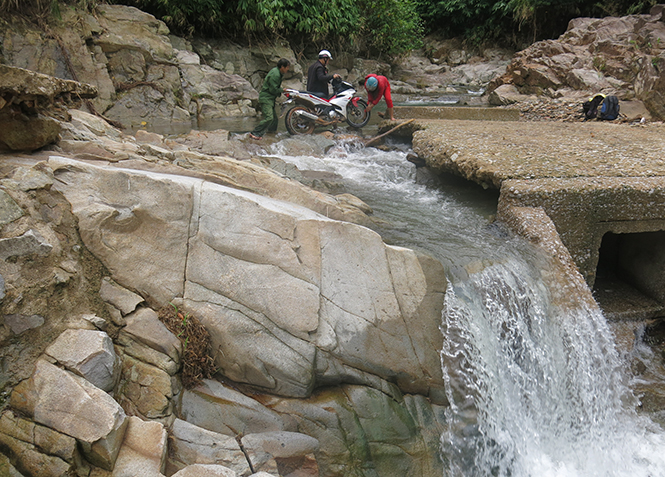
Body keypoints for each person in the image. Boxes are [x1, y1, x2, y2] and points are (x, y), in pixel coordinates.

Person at [249, 58, 291, 139]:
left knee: (274, 119)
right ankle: (255, 133)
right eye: (287, 67)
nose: (287, 69)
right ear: (282, 67)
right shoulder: (275, 74)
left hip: (270, 99)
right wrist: (282, 90)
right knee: (269, 118)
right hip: (266, 98)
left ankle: (271, 133)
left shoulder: (277, 72)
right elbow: (273, 89)